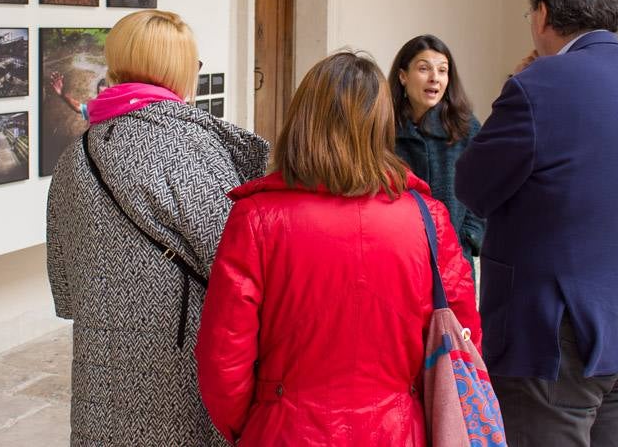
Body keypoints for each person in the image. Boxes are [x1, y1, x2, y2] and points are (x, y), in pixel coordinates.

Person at [454, 0, 618, 446]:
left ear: (542, 14)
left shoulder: (539, 86)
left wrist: (515, 91)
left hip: (558, 338)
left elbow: (472, 187)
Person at [195, 52, 480, 446]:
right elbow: (464, 334)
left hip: (285, 429)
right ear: (380, 123)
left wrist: (261, 421)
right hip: (399, 430)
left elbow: (223, 357)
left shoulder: (257, 217)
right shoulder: (427, 217)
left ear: (303, 119)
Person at [46, 10, 269, 446]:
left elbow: (64, 278)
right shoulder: (190, 147)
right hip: (179, 363)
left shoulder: (78, 153)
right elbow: (236, 259)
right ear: (179, 71)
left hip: (101, 369)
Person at [388, 34, 484, 277]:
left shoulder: (465, 127)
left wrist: (470, 236)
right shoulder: (383, 127)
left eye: (442, 70)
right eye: (423, 69)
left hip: (453, 259)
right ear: (403, 76)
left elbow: (485, 187)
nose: (435, 78)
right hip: (396, 255)